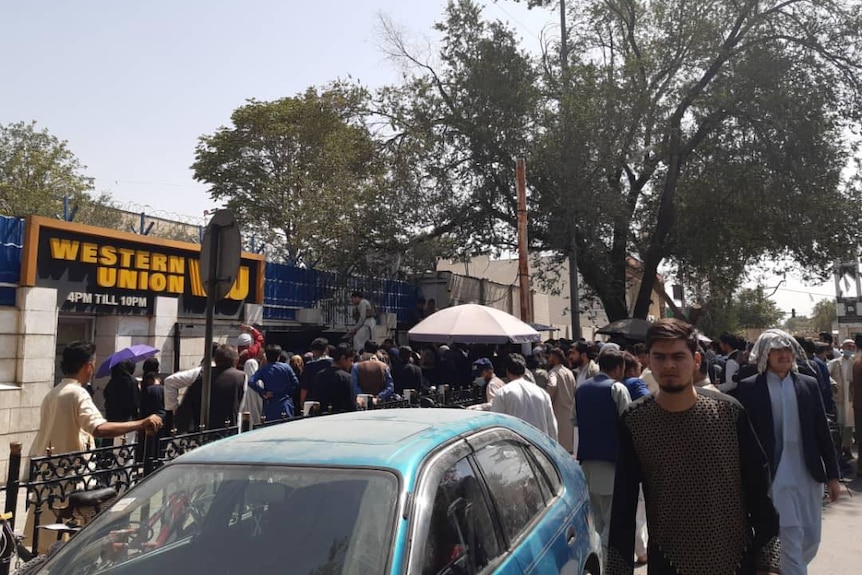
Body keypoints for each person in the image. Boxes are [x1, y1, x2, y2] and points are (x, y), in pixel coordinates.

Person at [607, 319, 780, 575]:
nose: (669, 365)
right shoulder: (635, 421)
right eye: (660, 357)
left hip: (736, 559)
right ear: (648, 361)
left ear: (696, 359)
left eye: (678, 356)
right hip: (669, 560)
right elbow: (624, 504)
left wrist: (769, 564)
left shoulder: (728, 413)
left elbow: (760, 491)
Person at [26, 341, 162, 553]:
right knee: (72, 548)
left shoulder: (54, 392)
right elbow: (98, 428)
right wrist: (142, 423)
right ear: (88, 365)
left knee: (48, 546)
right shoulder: (77, 393)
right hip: (69, 479)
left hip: (51, 477)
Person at [735, 330, 840, 574]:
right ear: (765, 355)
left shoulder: (808, 384)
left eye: (787, 350)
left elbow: (822, 433)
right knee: (790, 532)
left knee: (811, 537)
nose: (784, 355)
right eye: (777, 351)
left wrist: (833, 476)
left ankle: (791, 567)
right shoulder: (750, 388)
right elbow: (745, 439)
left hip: (808, 472)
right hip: (774, 474)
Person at [573, 348, 631, 555]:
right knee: (612, 520)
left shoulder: (581, 389)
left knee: (596, 521)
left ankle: (598, 558)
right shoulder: (617, 388)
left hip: (587, 462)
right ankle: (607, 563)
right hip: (611, 464)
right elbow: (629, 423)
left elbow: (575, 420)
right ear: (619, 367)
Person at [490, 353, 557, 439]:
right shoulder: (542, 393)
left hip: (516, 448)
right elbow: (552, 426)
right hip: (540, 446)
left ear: (507, 371)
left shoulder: (503, 393)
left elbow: (496, 424)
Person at [248, 344, 300, 421]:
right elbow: (295, 383)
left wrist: (263, 392)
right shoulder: (286, 367)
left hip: (270, 403)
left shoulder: (263, 370)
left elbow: (251, 381)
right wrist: (288, 393)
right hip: (285, 403)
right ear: (278, 356)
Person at [207, 344, 247, 429]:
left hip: (208, 422)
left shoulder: (205, 373)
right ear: (235, 360)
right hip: (230, 422)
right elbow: (241, 404)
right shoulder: (241, 376)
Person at [828, 338, 856, 460]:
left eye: (852, 346)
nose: (850, 348)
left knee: (850, 425)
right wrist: (833, 383)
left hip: (852, 399)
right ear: (843, 348)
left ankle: (847, 449)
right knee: (840, 424)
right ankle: (839, 450)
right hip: (840, 398)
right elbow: (825, 375)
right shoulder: (835, 363)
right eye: (848, 346)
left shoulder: (856, 361)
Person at [546, 347, 577, 453]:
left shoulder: (553, 372)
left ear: (554, 358)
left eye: (550, 357)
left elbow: (552, 385)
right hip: (570, 416)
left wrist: (547, 399)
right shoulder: (569, 372)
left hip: (558, 416)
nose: (548, 360)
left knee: (559, 450)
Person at [103, 360, 141, 444]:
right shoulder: (131, 381)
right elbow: (135, 400)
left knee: (111, 442)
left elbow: (105, 394)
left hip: (112, 417)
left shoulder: (113, 381)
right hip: (126, 418)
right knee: (125, 443)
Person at [314, 344, 356, 414]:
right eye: (350, 360)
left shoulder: (319, 375)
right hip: (341, 417)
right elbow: (351, 405)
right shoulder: (347, 378)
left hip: (322, 418)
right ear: (343, 358)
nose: (352, 364)